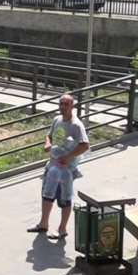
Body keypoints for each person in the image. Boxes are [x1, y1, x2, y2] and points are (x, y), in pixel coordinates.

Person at [28, 94, 90, 240]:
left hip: (66, 171)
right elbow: (49, 135)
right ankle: (43, 224)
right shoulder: (57, 119)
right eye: (61, 103)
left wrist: (68, 157)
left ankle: (62, 229)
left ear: (73, 106)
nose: (63, 106)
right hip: (51, 167)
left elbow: (85, 146)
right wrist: (47, 144)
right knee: (46, 195)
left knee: (64, 199)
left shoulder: (76, 125)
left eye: (66, 104)